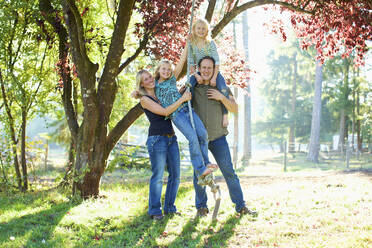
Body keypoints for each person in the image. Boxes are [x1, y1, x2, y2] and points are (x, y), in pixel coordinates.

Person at [190, 56, 258, 217]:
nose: (206, 70)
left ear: (214, 70)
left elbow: (234, 108)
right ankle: (201, 207)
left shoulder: (220, 87)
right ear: (199, 68)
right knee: (200, 173)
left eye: (209, 68)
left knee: (229, 171)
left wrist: (221, 97)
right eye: (203, 67)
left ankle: (240, 206)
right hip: (200, 140)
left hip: (218, 138)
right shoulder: (193, 88)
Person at [135, 69, 192, 220]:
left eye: (150, 77)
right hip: (156, 139)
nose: (149, 80)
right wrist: (183, 99)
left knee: (176, 175)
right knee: (158, 176)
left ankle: (169, 208)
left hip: (171, 138)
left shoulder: (159, 93)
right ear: (141, 84)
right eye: (145, 79)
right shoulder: (145, 99)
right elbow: (166, 111)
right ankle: (155, 211)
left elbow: (172, 98)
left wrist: (183, 89)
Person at [154, 59, 218, 180]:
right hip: (177, 115)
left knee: (203, 134)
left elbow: (181, 62)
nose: (166, 71)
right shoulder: (155, 85)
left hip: (188, 109)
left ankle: (206, 162)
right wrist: (137, 92)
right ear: (158, 70)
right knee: (193, 138)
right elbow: (144, 88)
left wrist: (187, 45)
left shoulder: (172, 80)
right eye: (163, 69)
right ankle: (200, 169)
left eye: (169, 69)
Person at [187, 18, 230, 128]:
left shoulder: (210, 43)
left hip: (213, 71)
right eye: (199, 28)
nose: (201, 31)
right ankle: (189, 111)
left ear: (207, 31)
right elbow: (191, 62)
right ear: (194, 29)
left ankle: (225, 114)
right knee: (189, 85)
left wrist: (214, 77)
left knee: (223, 87)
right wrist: (196, 75)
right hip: (199, 72)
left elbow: (217, 61)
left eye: (203, 29)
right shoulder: (192, 44)